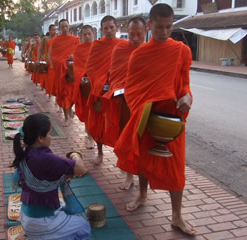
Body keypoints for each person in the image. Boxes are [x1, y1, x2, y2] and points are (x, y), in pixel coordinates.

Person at [114, 4, 196, 235]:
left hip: (171, 120)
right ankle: (142, 194)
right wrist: (144, 108)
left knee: (176, 167)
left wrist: (188, 97)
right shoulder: (138, 54)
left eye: (169, 27)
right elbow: (131, 89)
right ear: (150, 25)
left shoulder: (181, 51)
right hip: (147, 117)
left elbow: (185, 85)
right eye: (159, 27)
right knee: (142, 159)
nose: (164, 31)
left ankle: (177, 216)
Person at [10, 113, 91, 239]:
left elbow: (33, 177)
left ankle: (30, 233)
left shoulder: (26, 152)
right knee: (83, 226)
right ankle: (37, 234)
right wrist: (75, 155)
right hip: (39, 221)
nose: (51, 137)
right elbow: (80, 169)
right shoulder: (44, 158)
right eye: (49, 134)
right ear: (40, 138)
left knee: (61, 208)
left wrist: (57, 177)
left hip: (26, 216)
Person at [102, 16, 146, 190]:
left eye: (139, 34)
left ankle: (142, 186)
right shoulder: (120, 49)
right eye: (131, 34)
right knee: (126, 139)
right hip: (124, 102)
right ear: (126, 32)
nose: (135, 38)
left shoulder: (150, 51)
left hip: (144, 104)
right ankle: (129, 175)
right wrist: (118, 88)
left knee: (142, 143)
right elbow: (114, 75)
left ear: (146, 31)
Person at [84, 15, 124, 164]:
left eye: (111, 27)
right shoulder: (97, 46)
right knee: (99, 123)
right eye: (105, 28)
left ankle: (123, 162)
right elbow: (90, 67)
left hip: (117, 91)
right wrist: (100, 81)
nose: (109, 31)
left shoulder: (123, 45)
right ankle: (100, 153)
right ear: (101, 30)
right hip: (100, 90)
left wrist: (116, 81)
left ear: (117, 27)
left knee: (120, 125)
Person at [49, 19, 80, 127]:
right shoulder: (56, 40)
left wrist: (73, 57)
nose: (64, 28)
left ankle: (70, 109)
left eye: (66, 26)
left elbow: (79, 54)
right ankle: (66, 116)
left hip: (71, 71)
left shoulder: (75, 39)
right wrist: (60, 62)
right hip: (60, 72)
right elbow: (53, 56)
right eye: (62, 27)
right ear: (59, 28)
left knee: (72, 94)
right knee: (63, 94)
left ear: (69, 27)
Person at [72, 25, 96, 149]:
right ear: (81, 36)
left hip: (97, 84)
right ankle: (90, 136)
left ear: (93, 34)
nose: (87, 36)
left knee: (97, 111)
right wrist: (80, 77)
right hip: (84, 84)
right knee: (88, 111)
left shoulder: (98, 47)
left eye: (89, 34)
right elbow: (76, 66)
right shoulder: (79, 49)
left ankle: (95, 136)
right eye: (84, 34)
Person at [38, 24, 57, 98]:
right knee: (49, 80)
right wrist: (38, 59)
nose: (54, 31)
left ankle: (56, 98)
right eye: (53, 30)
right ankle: (49, 93)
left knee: (56, 81)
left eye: (55, 30)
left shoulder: (58, 38)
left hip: (56, 62)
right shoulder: (45, 39)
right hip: (48, 62)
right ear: (49, 30)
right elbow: (40, 49)